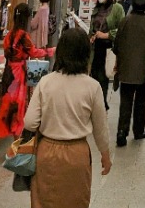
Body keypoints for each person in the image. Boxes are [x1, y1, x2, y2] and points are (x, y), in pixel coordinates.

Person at [22, 27, 111, 208]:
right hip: (77, 154)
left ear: (61, 52)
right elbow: (100, 128)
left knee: (43, 202)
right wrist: (105, 155)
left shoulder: (46, 82)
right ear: (86, 54)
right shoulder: (93, 87)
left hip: (47, 152)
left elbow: (30, 122)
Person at [113, 0, 145, 146]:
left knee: (125, 101)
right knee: (140, 101)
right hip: (142, 69)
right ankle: (138, 130)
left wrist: (117, 63)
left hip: (125, 67)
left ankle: (121, 132)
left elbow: (117, 44)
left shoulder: (125, 21)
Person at [0, 3, 45, 140]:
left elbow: (7, 53)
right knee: (18, 106)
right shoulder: (23, 36)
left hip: (8, 72)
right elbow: (33, 52)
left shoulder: (9, 35)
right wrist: (50, 51)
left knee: (6, 106)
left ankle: (0, 137)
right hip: (18, 75)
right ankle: (16, 141)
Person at [88, 0, 125, 108]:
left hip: (109, 48)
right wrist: (92, 35)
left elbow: (122, 28)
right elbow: (92, 27)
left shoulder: (117, 8)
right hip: (95, 48)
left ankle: (101, 103)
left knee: (103, 76)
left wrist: (108, 35)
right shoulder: (96, 9)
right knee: (94, 75)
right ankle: (97, 103)